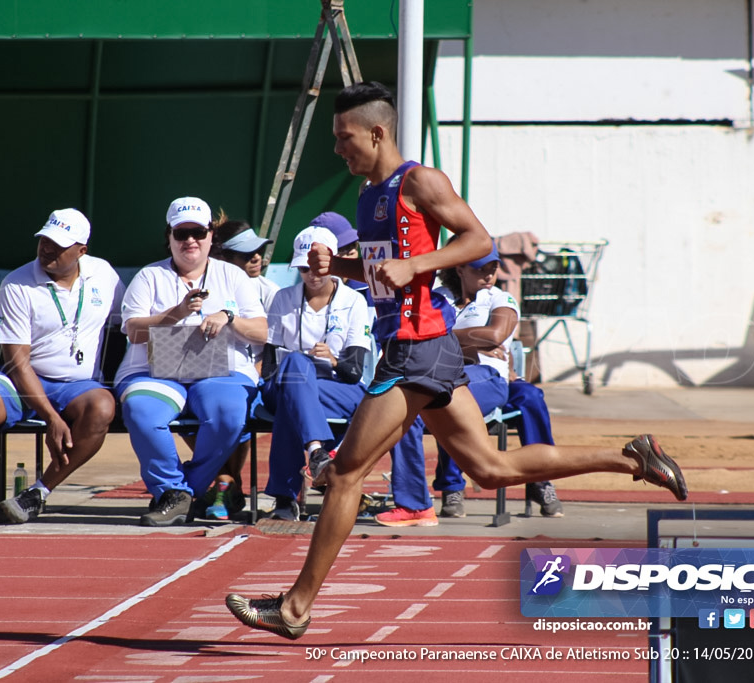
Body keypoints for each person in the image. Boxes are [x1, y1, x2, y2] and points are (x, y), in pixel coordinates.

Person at [225, 81, 688, 639]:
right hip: (419, 346)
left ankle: (296, 608)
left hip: (417, 348)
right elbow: (383, 273)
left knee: (345, 473)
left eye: (344, 138)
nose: (337, 149)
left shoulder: (420, 181)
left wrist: (420, 265)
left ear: (377, 132)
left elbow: (478, 239)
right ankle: (633, 459)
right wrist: (339, 268)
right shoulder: (369, 197)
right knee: (491, 470)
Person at [0, 209, 122, 524]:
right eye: (44, 240)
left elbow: (129, 322)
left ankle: (36, 495)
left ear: (82, 251)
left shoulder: (104, 274)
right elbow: (17, 361)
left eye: (58, 244)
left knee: (104, 407)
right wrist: (51, 418)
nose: (47, 249)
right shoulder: (17, 283)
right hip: (21, 377)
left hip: (77, 385)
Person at [376, 241, 563, 527]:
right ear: (460, 268)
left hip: (484, 377)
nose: (489, 275)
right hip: (436, 374)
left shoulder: (499, 298)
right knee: (405, 409)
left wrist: (440, 338)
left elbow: (495, 335)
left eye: (494, 268)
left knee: (525, 396)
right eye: (480, 269)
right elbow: (412, 334)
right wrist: (467, 341)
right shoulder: (438, 297)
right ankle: (415, 503)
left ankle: (534, 481)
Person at [114, 197, 267, 527]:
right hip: (154, 372)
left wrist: (228, 317)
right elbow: (133, 330)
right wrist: (177, 313)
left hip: (220, 371)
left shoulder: (233, 276)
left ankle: (182, 492)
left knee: (229, 413)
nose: (190, 241)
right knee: (142, 412)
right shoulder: (149, 276)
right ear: (168, 236)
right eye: (181, 233)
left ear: (212, 235)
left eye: (198, 232)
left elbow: (260, 332)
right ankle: (174, 490)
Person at [259, 225, 371, 521]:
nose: (312, 274)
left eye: (318, 266)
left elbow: (353, 372)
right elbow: (269, 366)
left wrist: (333, 361)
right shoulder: (283, 298)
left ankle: (286, 498)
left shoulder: (354, 301)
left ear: (332, 263)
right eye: (304, 267)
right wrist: (300, 365)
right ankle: (319, 455)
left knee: (291, 400)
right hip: (286, 383)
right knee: (295, 367)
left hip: (338, 387)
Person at [187, 216, 277, 521]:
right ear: (221, 257)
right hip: (201, 373)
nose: (256, 258)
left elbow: (273, 347)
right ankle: (228, 483)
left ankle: (222, 483)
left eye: (258, 250)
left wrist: (256, 371)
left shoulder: (270, 291)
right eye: (245, 254)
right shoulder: (196, 285)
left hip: (255, 377)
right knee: (199, 409)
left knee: (234, 407)